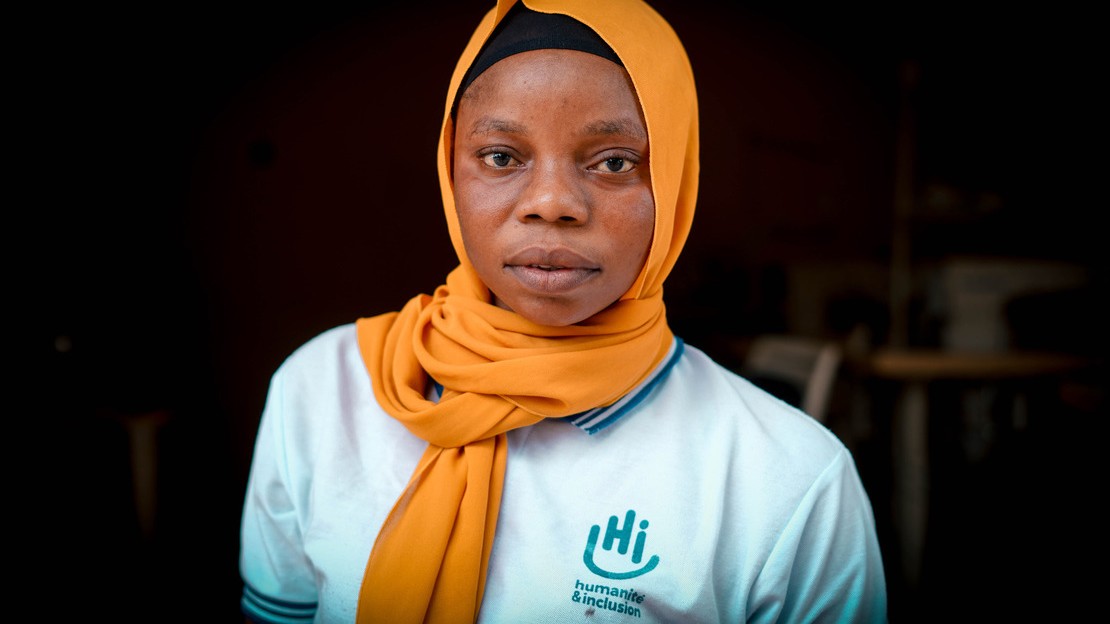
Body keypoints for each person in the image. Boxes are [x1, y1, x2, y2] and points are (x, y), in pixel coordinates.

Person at [238, 0, 888, 622]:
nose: (552, 202)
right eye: (500, 157)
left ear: (676, 183)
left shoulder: (789, 481)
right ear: (450, 168)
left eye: (613, 162)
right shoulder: (325, 392)